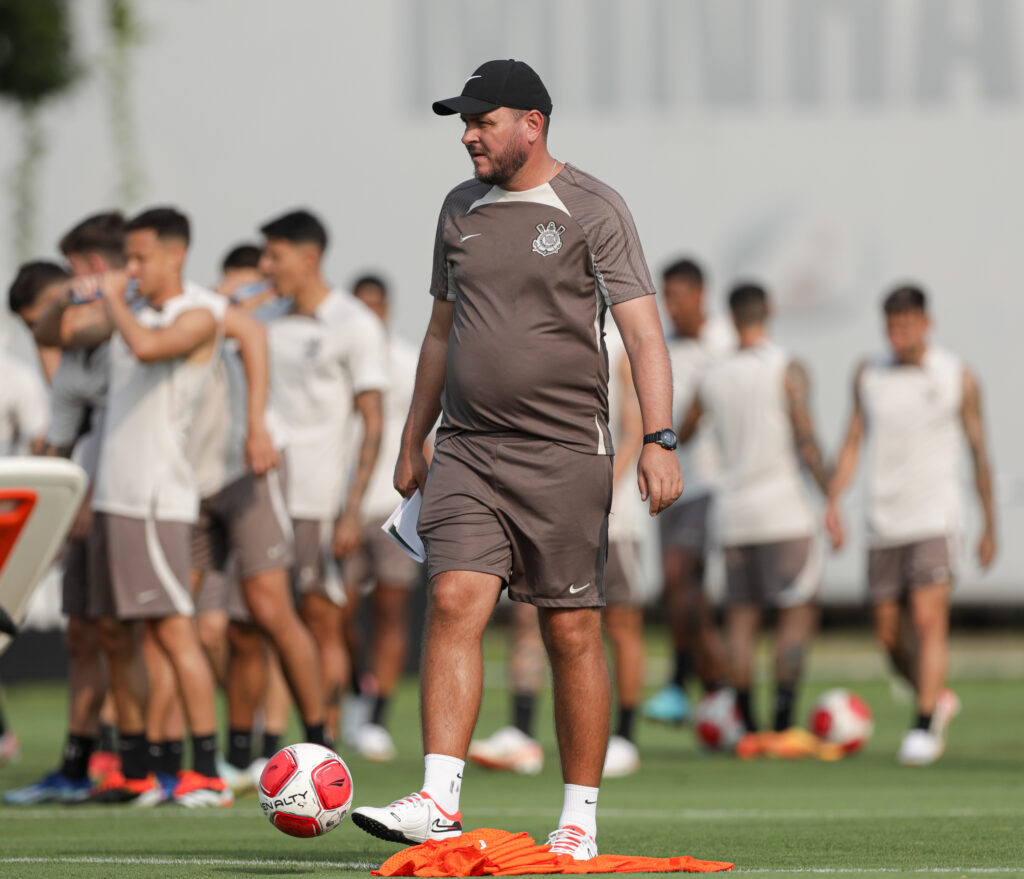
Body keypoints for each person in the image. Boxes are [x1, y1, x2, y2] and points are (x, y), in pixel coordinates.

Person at [351, 59, 682, 859]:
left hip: (566, 452)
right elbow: (439, 332)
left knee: (570, 631)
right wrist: (411, 438)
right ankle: (439, 798)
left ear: (531, 124)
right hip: (466, 449)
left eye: (482, 122)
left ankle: (578, 816)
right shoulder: (458, 207)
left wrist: (659, 438)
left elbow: (643, 333)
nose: (467, 136)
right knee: (457, 598)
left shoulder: (594, 208)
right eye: (463, 123)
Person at [47, 207, 231, 805]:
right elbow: (57, 335)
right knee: (115, 634)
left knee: (175, 632)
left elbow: (149, 348)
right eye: (126, 258)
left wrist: (111, 299)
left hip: (157, 501)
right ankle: (136, 770)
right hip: (111, 498)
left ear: (175, 256)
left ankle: (204, 770)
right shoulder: (126, 311)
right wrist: (65, 302)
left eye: (140, 258)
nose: (131, 269)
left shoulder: (197, 312)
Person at [825, 285, 997, 766]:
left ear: (926, 323)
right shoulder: (869, 373)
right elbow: (853, 439)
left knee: (926, 620)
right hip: (884, 519)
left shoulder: (955, 376)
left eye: (907, 325)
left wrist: (990, 525)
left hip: (935, 517)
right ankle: (935, 694)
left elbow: (980, 450)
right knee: (887, 633)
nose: (899, 334)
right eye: (891, 326)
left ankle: (923, 724)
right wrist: (834, 500)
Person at [190, 242, 327, 791]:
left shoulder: (265, 323)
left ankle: (320, 744)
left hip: (254, 471)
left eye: (255, 283)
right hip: (196, 484)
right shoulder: (195, 316)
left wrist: (240, 304)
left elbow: (253, 327)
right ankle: (237, 754)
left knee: (271, 610)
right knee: (220, 630)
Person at [3, 216, 131, 805]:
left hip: (131, 499)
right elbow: (61, 438)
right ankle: (81, 762)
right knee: (84, 633)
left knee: (129, 633)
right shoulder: (75, 347)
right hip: (86, 498)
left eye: (82, 272)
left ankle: (142, 761)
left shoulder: (132, 324)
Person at [679, 282, 829, 749]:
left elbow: (682, 432)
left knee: (740, 622)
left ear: (731, 315)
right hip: (783, 511)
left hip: (734, 513)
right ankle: (782, 725)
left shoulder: (713, 374)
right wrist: (833, 498)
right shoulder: (788, 368)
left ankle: (746, 727)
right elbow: (806, 442)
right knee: (794, 615)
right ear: (770, 312)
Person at [257, 209, 387, 742]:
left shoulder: (354, 323)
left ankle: (324, 744)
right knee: (265, 625)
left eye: (274, 255)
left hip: (320, 500)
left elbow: (372, 420)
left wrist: (351, 509)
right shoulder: (264, 318)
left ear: (309, 259)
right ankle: (268, 743)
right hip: (263, 498)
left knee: (321, 620)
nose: (265, 266)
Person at [643, 258, 731, 725]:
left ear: (700, 294)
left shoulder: (726, 344)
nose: (670, 307)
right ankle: (718, 692)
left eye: (677, 297)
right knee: (686, 595)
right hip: (672, 485)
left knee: (682, 579)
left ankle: (680, 683)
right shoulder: (661, 345)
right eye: (666, 297)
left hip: (713, 485)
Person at [340, 274, 422, 763]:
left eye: (376, 306)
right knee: (338, 614)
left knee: (391, 611)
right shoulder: (338, 361)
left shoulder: (408, 361)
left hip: (395, 503)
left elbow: (426, 428)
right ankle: (355, 691)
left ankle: (375, 718)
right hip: (344, 505)